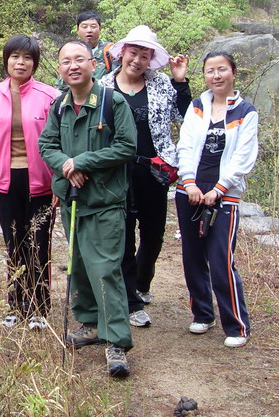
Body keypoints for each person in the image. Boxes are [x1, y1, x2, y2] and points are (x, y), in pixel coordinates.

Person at [38, 40, 137, 378]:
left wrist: (83, 161)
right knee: (78, 263)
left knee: (105, 268)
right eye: (66, 61)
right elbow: (46, 144)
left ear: (93, 64)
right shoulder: (60, 105)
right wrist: (65, 165)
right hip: (73, 200)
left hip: (105, 201)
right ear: (60, 69)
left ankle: (116, 341)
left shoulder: (113, 101)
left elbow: (126, 146)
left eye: (79, 59)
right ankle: (90, 323)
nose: (73, 66)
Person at [101, 25, 191, 328]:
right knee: (123, 235)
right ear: (122, 52)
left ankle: (141, 282)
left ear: (150, 59)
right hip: (117, 171)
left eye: (144, 55)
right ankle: (131, 300)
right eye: (133, 53)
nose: (137, 60)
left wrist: (181, 81)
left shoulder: (162, 83)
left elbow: (185, 117)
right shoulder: (103, 87)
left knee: (153, 235)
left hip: (154, 170)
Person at [0, 35, 60, 331]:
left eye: (27, 57)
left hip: (42, 181)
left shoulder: (49, 95)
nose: (20, 62)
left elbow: (61, 141)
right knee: (14, 242)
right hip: (6, 178)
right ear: (6, 59)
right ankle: (16, 303)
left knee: (39, 243)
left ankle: (39, 305)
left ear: (35, 63)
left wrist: (60, 180)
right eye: (15, 56)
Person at [175, 50, 258, 348]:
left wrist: (219, 189)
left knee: (221, 259)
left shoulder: (246, 112)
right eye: (210, 70)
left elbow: (243, 158)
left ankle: (236, 326)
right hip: (190, 192)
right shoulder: (197, 106)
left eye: (222, 69)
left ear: (233, 72)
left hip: (224, 197)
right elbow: (184, 145)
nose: (216, 75)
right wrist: (188, 182)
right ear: (205, 75)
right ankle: (202, 314)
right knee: (192, 256)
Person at [55, 11, 117, 90]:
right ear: (77, 30)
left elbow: (118, 78)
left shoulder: (110, 50)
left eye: (93, 26)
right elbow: (61, 84)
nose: (89, 30)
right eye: (84, 27)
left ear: (100, 29)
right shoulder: (70, 51)